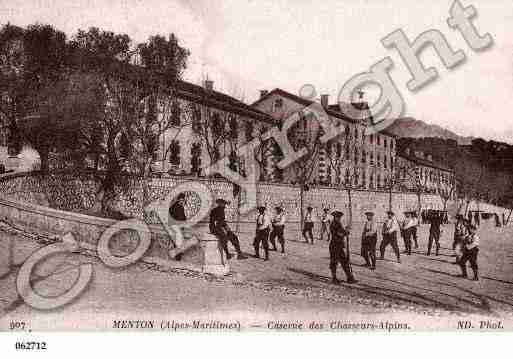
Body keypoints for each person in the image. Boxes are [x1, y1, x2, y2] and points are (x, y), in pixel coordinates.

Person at [329, 211, 357, 284]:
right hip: (334, 246)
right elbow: (339, 233)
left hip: (339, 245)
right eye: (337, 217)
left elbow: (342, 231)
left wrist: (346, 231)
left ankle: (349, 278)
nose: (338, 218)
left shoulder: (338, 223)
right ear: (334, 217)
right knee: (334, 262)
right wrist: (346, 232)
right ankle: (334, 278)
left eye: (339, 217)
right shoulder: (334, 224)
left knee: (344, 262)